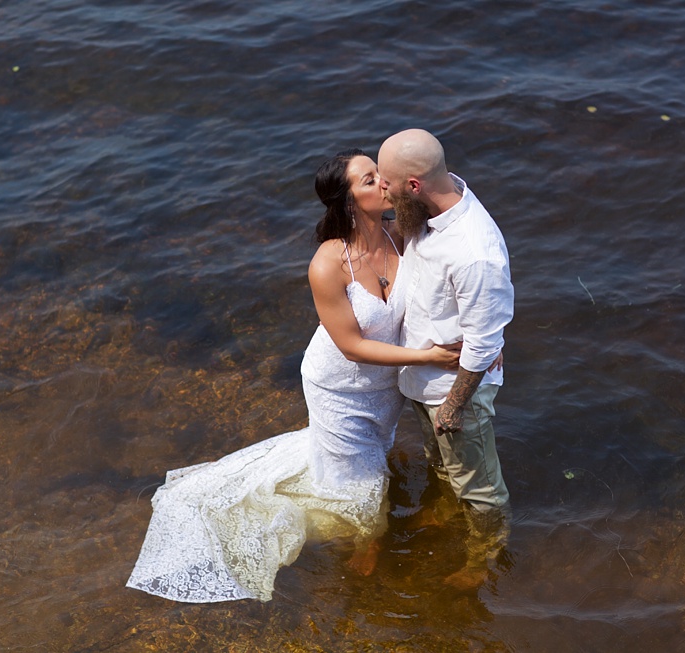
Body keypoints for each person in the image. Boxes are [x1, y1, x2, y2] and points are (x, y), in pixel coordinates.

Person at [126, 149, 460, 603]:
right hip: (337, 384)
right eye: (369, 180)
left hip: (385, 384)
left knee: (372, 453)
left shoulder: (402, 237)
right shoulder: (328, 264)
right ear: (346, 202)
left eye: (381, 175)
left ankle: (367, 512)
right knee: (360, 479)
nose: (384, 184)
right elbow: (351, 345)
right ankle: (369, 540)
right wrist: (427, 358)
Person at [377, 129, 515, 589]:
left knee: (481, 491)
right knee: (442, 464)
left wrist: (454, 407)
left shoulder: (474, 252)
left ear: (413, 186)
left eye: (388, 185)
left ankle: (484, 559)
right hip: (421, 377)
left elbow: (482, 340)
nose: (384, 191)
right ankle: (442, 511)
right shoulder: (426, 210)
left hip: (452, 393)